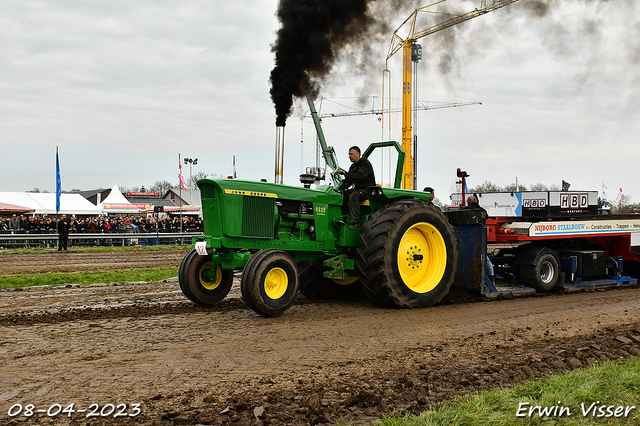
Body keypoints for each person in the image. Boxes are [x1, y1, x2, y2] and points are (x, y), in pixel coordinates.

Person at [336, 146, 376, 230]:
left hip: (367, 190)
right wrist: (339, 189)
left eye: (351, 154)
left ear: (358, 154)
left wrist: (345, 173)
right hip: (358, 189)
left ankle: (356, 223)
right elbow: (349, 181)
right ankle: (341, 219)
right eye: (349, 154)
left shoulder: (364, 163)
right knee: (341, 195)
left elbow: (361, 176)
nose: (349, 156)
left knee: (353, 196)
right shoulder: (352, 167)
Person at [465, 195, 494, 283]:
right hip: (481, 236)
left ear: (468, 203)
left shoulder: (465, 211)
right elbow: (486, 217)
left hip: (467, 237)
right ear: (477, 202)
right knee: (484, 257)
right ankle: (491, 277)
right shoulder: (483, 211)